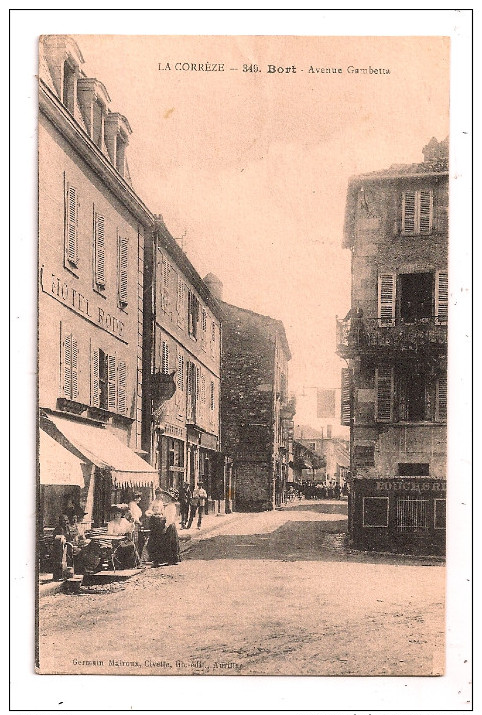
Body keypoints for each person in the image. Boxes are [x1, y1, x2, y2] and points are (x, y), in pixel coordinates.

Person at [145, 488, 180, 566]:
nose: (162, 496)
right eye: (159, 494)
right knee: (164, 541)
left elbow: (169, 517)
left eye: (164, 495)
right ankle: (165, 559)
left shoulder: (168, 506)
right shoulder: (155, 503)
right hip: (156, 522)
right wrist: (153, 514)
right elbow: (149, 511)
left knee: (168, 542)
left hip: (166, 524)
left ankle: (170, 559)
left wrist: (165, 525)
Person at [106, 505, 137, 569]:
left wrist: (132, 524)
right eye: (116, 514)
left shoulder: (124, 521)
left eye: (118, 513)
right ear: (113, 515)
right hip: (116, 541)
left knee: (131, 545)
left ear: (121, 514)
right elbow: (109, 533)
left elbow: (129, 529)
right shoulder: (111, 523)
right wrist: (117, 534)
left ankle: (130, 564)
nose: (117, 515)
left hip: (124, 539)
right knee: (124, 546)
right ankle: (123, 564)